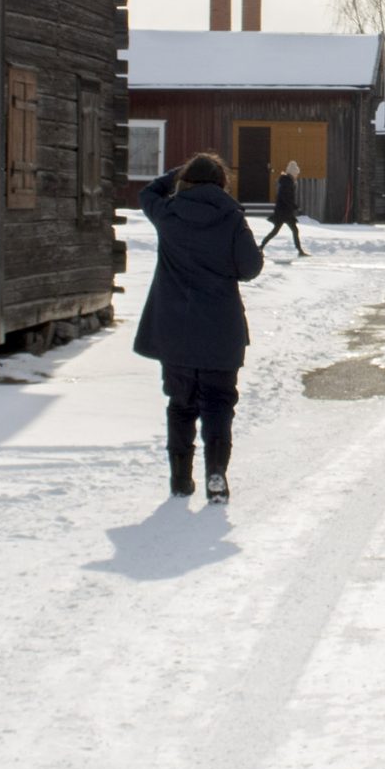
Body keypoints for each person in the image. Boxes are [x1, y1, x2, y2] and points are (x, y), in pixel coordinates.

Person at [133, 152, 265, 506]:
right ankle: (216, 472)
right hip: (220, 330)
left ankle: (179, 478)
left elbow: (148, 193)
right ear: (222, 183)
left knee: (181, 403)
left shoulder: (168, 214)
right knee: (219, 403)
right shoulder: (232, 217)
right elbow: (250, 268)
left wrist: (178, 171)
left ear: (185, 181)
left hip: (174, 329)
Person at [259, 158, 307, 256]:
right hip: (283, 212)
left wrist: (293, 207)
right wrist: (295, 207)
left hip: (285, 211)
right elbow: (285, 197)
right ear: (293, 173)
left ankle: (261, 247)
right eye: (296, 174)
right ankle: (260, 247)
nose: (297, 176)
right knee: (284, 231)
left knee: (280, 231)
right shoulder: (287, 182)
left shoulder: (287, 181)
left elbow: (286, 197)